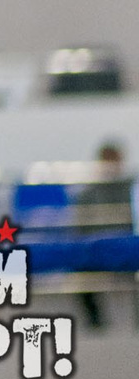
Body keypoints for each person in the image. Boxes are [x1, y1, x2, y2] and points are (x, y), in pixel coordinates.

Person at [77, 141, 132, 331]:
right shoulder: (88, 193)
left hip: (129, 247)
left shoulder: (132, 188)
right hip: (99, 248)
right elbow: (81, 229)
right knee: (79, 268)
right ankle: (96, 322)